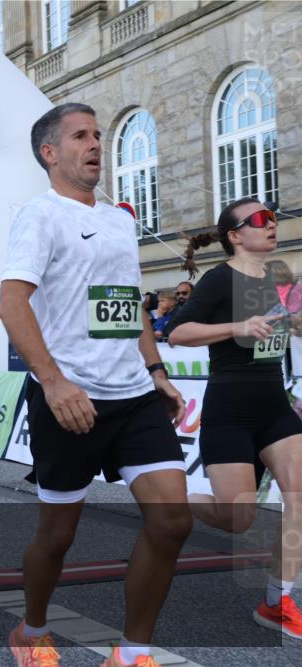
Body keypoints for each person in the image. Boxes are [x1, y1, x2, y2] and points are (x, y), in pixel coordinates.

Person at [0, 103, 191, 667]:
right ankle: (31, 632)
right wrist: (54, 383)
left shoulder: (120, 219)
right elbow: (12, 306)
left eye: (99, 136)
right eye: (81, 136)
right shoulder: (39, 215)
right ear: (49, 153)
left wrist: (156, 373)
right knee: (58, 536)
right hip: (70, 401)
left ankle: (131, 654)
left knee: (172, 520)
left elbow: (127, 306)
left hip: (132, 397)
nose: (96, 145)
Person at [166, 199, 302, 639]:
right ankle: (171, 501)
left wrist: (294, 322)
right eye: (260, 220)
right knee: (238, 519)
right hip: (230, 408)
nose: (271, 225)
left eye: (273, 219)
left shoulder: (279, 277)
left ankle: (276, 601)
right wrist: (238, 328)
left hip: (274, 407)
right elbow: (178, 331)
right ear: (235, 236)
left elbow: (287, 322)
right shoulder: (219, 279)